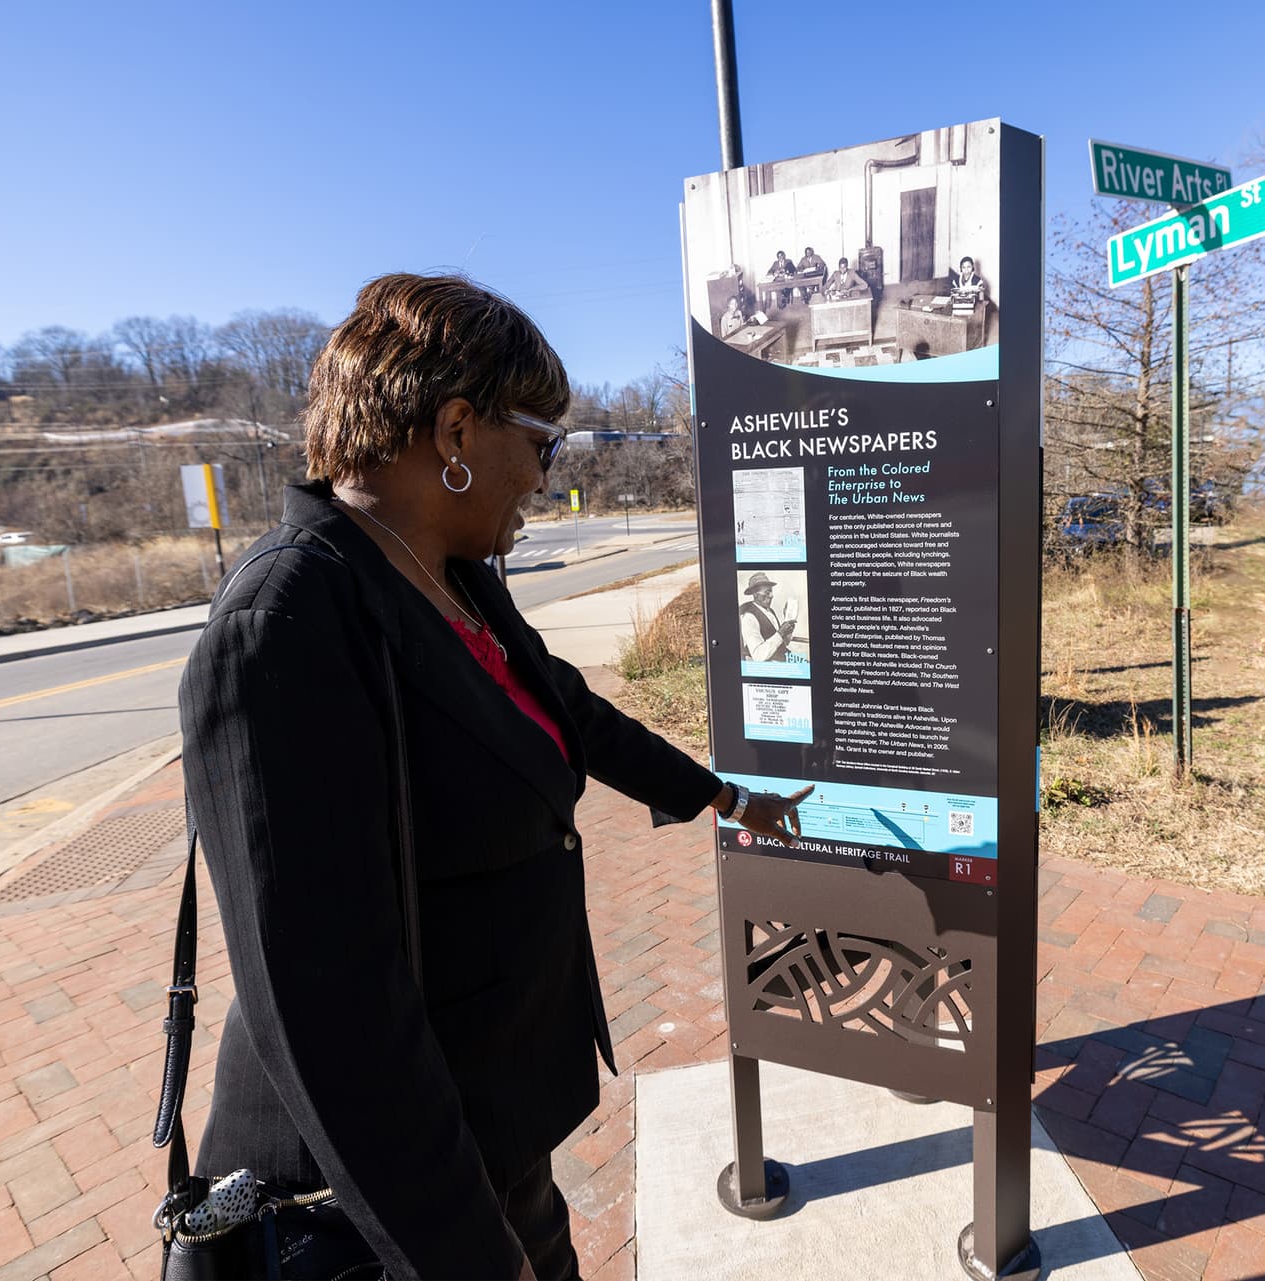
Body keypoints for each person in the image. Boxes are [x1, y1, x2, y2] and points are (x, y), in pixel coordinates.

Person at [178, 272, 810, 1280]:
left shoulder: (455, 580)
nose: (546, 477)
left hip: (494, 1131)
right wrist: (472, 1255)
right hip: (384, 1199)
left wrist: (727, 797)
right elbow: (329, 1004)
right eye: (543, 441)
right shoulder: (287, 620)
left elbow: (575, 715)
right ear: (458, 431)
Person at [738, 571, 797, 661]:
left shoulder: (770, 611)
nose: (772, 596)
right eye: (767, 592)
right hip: (772, 664)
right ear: (755, 594)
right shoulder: (749, 618)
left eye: (771, 591)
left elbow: (782, 644)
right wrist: (781, 632)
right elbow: (758, 656)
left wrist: (787, 624)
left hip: (782, 658)